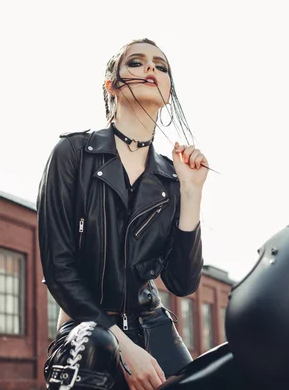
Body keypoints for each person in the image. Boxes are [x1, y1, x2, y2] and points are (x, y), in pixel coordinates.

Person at [37, 38, 209, 390]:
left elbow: (182, 283)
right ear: (111, 85)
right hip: (87, 325)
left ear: (167, 90)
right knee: (96, 348)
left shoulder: (171, 177)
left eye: (161, 67)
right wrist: (124, 346)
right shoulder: (72, 154)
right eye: (137, 62)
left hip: (153, 323)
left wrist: (191, 192)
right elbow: (59, 269)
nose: (151, 69)